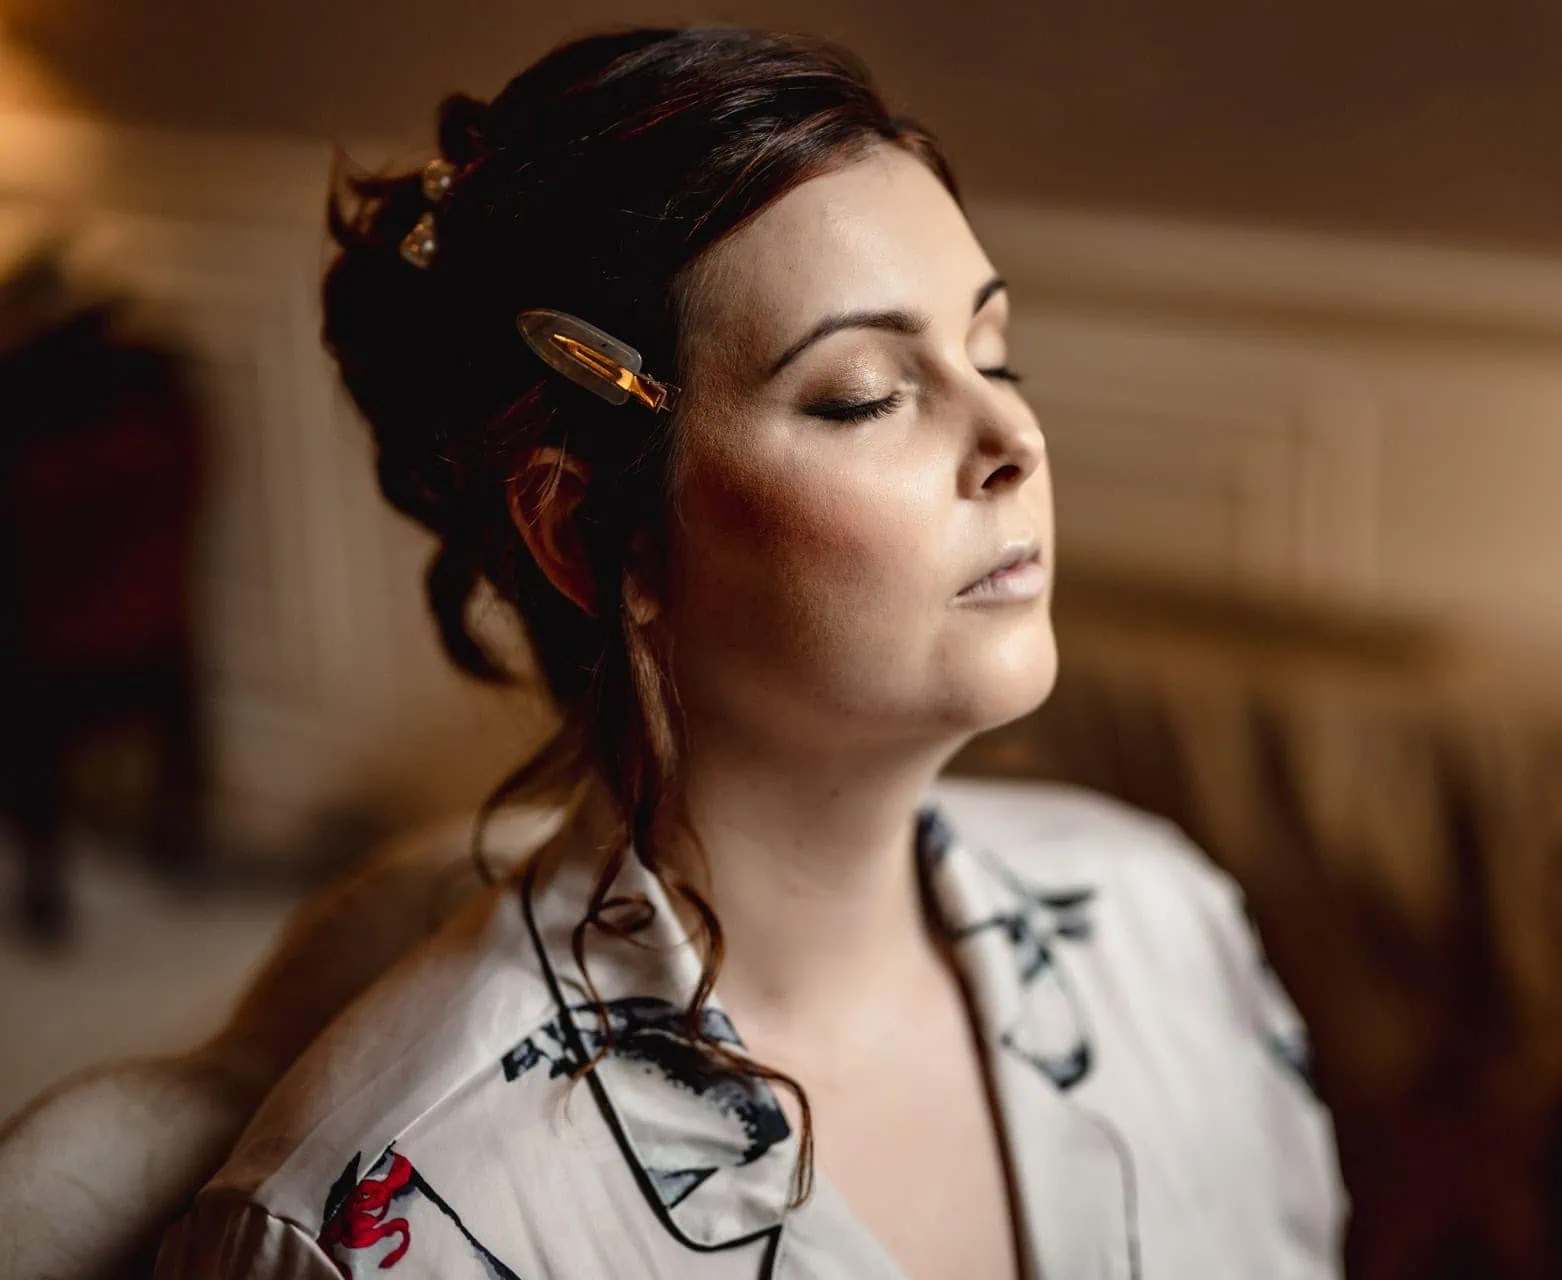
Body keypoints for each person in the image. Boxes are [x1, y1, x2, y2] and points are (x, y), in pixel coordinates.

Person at [156, 27, 1344, 1279]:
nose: (1014, 437)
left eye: (995, 355)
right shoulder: (396, 1223)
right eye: (864, 393)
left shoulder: (1165, 920)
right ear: (596, 534)